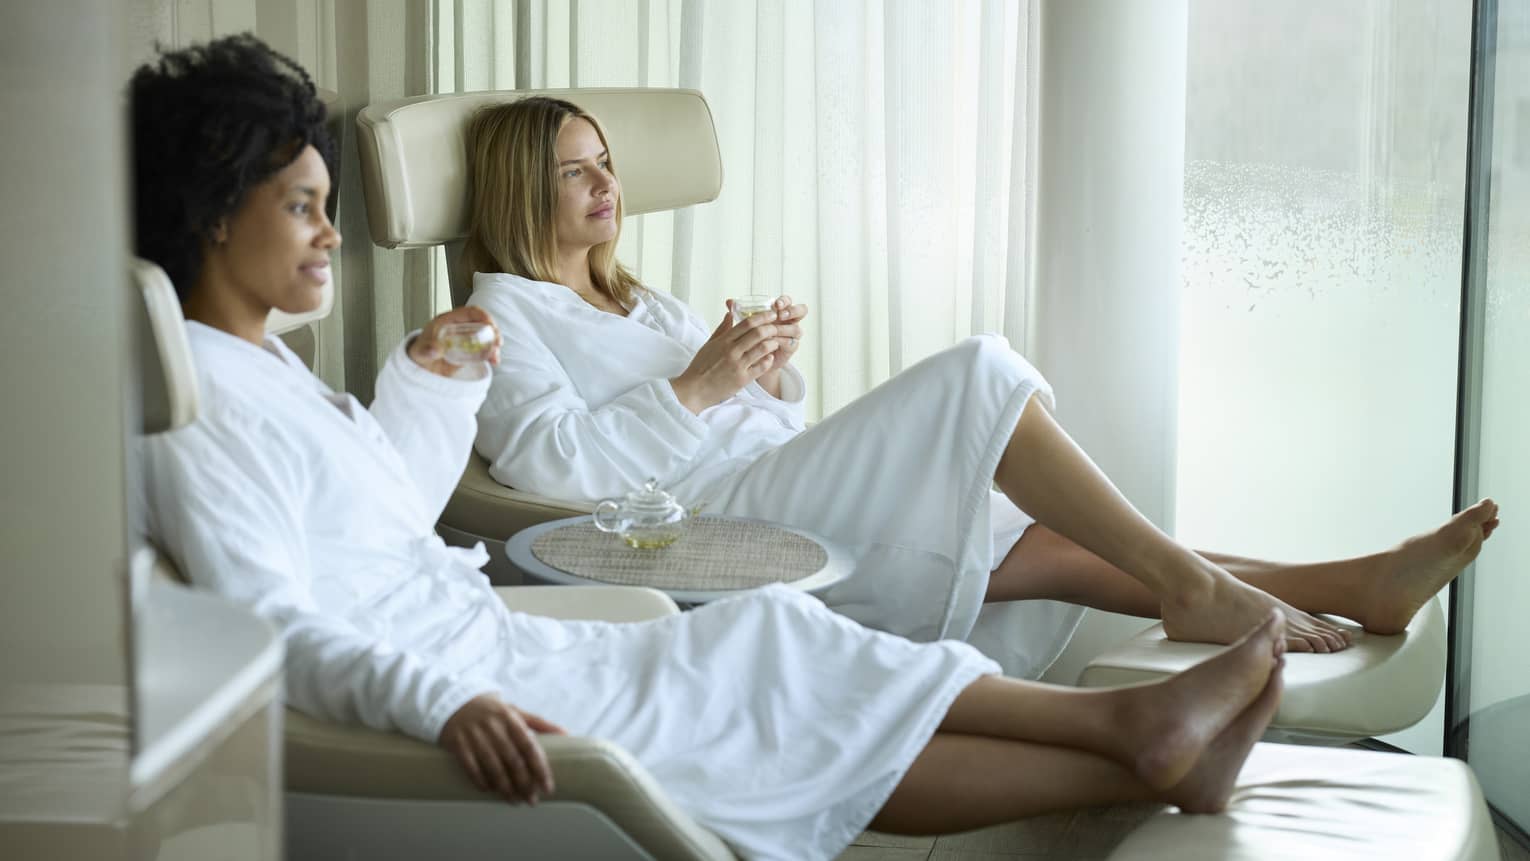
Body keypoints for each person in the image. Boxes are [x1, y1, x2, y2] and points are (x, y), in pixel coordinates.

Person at [132, 35, 1293, 861]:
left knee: (778, 640)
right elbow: (266, 627)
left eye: (329, 204)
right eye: (301, 206)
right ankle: (1136, 727)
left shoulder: (265, 373)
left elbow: (382, 511)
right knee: (768, 684)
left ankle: (1137, 734)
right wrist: (441, 706)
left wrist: (431, 384)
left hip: (485, 636)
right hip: (464, 671)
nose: (330, 235)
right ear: (212, 211)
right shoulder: (193, 411)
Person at [462, 96, 1501, 671]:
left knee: (1043, 542)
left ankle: (1346, 584)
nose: (607, 183)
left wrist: (761, 373)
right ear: (519, 190)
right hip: (704, 529)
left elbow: (741, 409)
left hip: (771, 479)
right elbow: (551, 467)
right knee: (979, 373)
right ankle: (1201, 588)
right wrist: (698, 386)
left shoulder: (637, 300)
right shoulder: (501, 317)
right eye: (575, 170)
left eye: (605, 162)